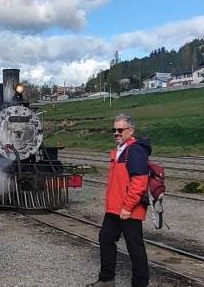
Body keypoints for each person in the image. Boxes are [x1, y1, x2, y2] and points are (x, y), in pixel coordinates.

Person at [86, 113, 150, 287]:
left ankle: (140, 283)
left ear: (130, 130)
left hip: (129, 210)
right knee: (105, 239)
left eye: (120, 130)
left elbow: (139, 183)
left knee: (135, 247)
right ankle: (107, 280)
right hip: (115, 209)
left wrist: (128, 206)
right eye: (114, 129)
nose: (116, 133)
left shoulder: (134, 151)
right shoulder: (119, 151)